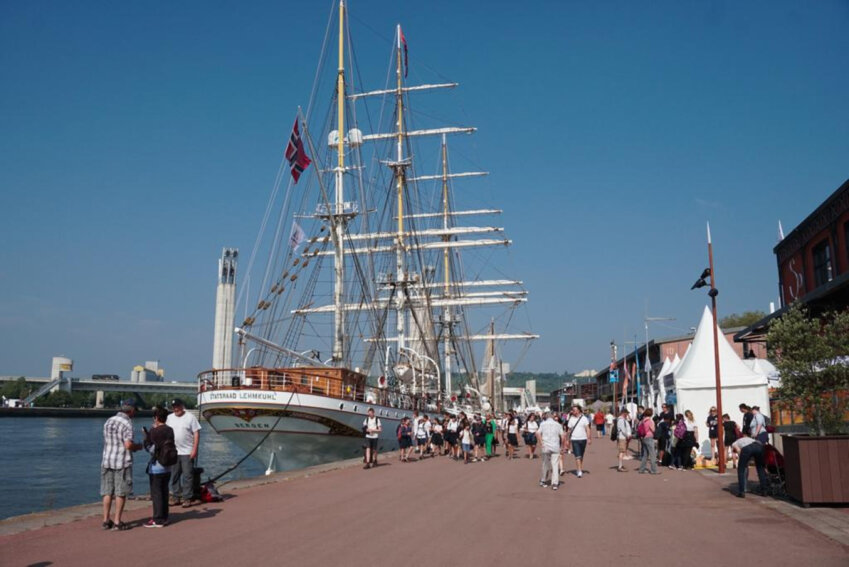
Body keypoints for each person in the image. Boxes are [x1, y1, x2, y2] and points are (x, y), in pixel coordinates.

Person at [101, 400, 143, 531]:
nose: (135, 413)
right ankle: (117, 521)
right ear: (131, 410)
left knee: (107, 492)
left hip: (107, 460)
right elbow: (128, 445)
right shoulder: (127, 423)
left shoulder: (109, 420)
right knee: (121, 492)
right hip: (121, 461)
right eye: (135, 410)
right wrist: (138, 446)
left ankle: (106, 520)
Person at [143, 406, 175, 527]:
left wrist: (147, 435)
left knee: (156, 493)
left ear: (156, 417)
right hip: (168, 465)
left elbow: (148, 448)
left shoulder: (154, 431)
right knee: (164, 492)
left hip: (157, 466)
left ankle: (157, 519)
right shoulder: (170, 430)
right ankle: (165, 517)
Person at [166, 398, 201, 507]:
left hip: (187, 451)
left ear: (182, 406)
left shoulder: (190, 417)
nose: (176, 409)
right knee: (174, 475)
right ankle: (176, 496)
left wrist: (194, 449)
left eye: (177, 406)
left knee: (187, 475)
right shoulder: (169, 418)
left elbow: (196, 433)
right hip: (174, 451)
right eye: (174, 407)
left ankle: (187, 498)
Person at [537, 412, 566, 491]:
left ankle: (543, 480)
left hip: (545, 446)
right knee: (555, 465)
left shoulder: (543, 424)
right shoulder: (558, 425)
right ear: (553, 417)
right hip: (555, 446)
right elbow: (563, 436)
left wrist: (541, 443)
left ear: (546, 417)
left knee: (545, 464)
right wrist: (562, 447)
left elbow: (538, 433)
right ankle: (555, 483)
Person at [566, 405, 592, 478]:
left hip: (583, 439)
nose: (573, 411)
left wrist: (589, 438)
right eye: (572, 410)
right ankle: (579, 471)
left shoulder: (584, 418)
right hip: (574, 439)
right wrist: (567, 440)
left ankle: (579, 468)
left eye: (574, 410)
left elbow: (588, 429)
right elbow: (569, 430)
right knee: (577, 456)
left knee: (581, 455)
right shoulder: (571, 419)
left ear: (579, 410)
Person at [638, 409, 660, 474]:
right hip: (649, 437)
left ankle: (642, 469)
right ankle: (654, 470)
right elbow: (653, 430)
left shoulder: (642, 421)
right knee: (652, 454)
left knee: (645, 454)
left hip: (643, 437)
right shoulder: (650, 421)